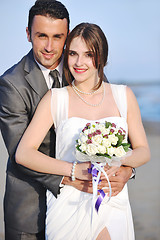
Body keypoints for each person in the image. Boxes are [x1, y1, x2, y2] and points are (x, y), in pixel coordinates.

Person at [0, 1, 133, 240]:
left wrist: (127, 169)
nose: (50, 47)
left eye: (58, 37)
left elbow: (116, 132)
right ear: (28, 34)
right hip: (31, 206)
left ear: (68, 35)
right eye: (42, 36)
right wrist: (74, 175)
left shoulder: (86, 67)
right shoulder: (11, 84)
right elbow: (20, 156)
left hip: (86, 200)